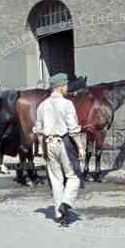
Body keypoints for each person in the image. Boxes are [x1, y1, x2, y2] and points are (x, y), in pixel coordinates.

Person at [33, 73, 85, 227]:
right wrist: (81, 147)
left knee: (56, 180)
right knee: (73, 177)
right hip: (64, 143)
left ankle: (59, 213)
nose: (67, 87)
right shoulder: (67, 104)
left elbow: (39, 129)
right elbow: (73, 129)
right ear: (60, 86)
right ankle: (66, 204)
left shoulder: (42, 105)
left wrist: (42, 150)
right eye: (66, 84)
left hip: (48, 144)